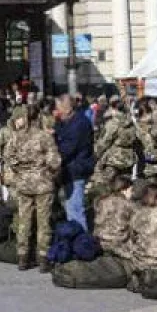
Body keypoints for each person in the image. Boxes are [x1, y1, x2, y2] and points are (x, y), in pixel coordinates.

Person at [6, 104, 61, 272]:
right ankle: (43, 258)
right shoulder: (44, 137)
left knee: (24, 220)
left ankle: (23, 257)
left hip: (23, 183)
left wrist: (21, 169)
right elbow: (55, 161)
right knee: (44, 222)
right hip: (43, 183)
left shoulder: (15, 137)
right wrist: (48, 172)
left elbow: (8, 157)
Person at [53, 95, 94, 230]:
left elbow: (67, 148)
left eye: (59, 109)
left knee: (75, 209)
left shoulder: (79, 124)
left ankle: (82, 241)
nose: (57, 112)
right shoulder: (68, 122)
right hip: (70, 169)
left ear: (68, 109)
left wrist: (50, 153)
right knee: (70, 207)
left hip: (76, 169)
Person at [91, 96, 136, 193]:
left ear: (113, 107)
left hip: (113, 160)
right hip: (128, 159)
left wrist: (94, 156)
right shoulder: (130, 123)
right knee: (125, 186)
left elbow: (103, 143)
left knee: (107, 186)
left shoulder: (112, 123)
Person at [93, 174, 135, 259]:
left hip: (99, 240)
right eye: (131, 190)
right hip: (118, 243)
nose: (132, 193)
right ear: (124, 190)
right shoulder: (128, 205)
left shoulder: (101, 201)